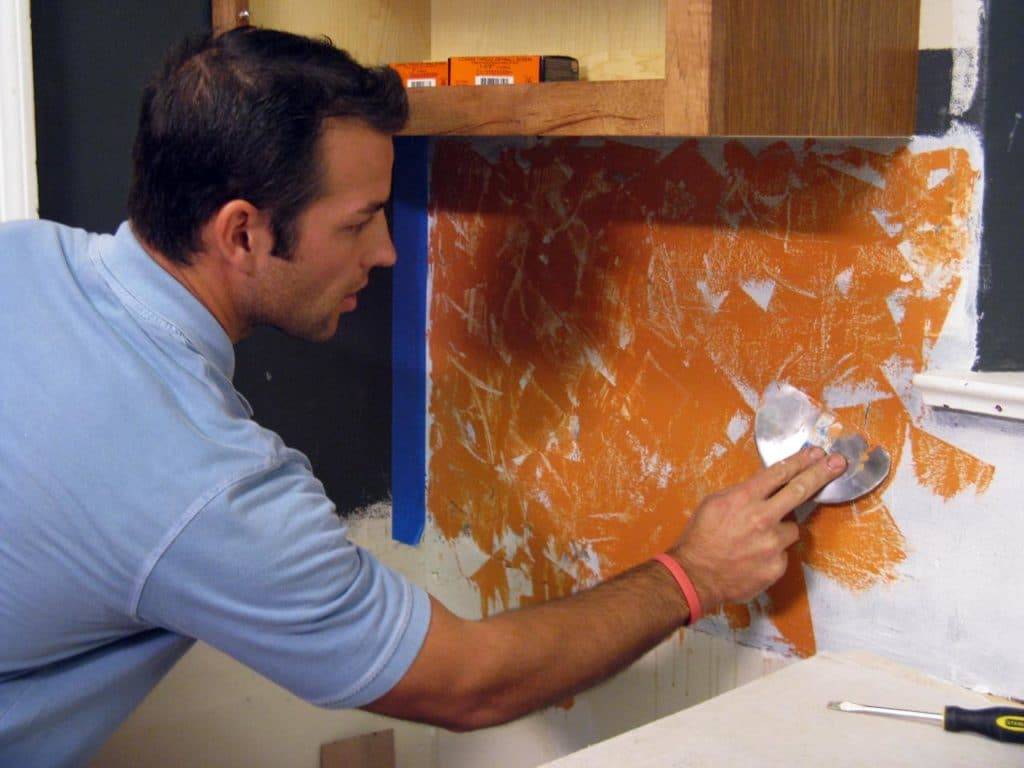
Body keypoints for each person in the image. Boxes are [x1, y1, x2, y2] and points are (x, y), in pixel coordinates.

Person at [0, 27, 847, 766]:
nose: (387, 252)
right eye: (357, 220)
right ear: (243, 231)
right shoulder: (206, 486)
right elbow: (468, 684)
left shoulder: (22, 256)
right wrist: (693, 574)